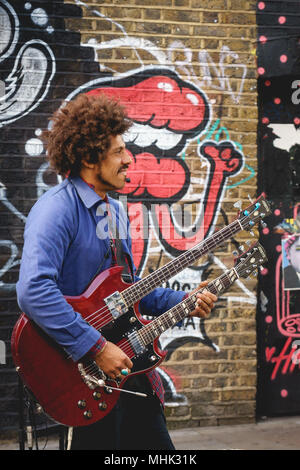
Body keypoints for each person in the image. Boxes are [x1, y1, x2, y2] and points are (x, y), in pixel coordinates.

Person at [16, 93, 217, 450]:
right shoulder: (56, 211)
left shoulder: (116, 213)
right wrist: (95, 348)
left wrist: (184, 299)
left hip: (130, 369)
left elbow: (128, 291)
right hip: (83, 377)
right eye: (118, 151)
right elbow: (34, 291)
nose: (128, 160)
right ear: (89, 157)